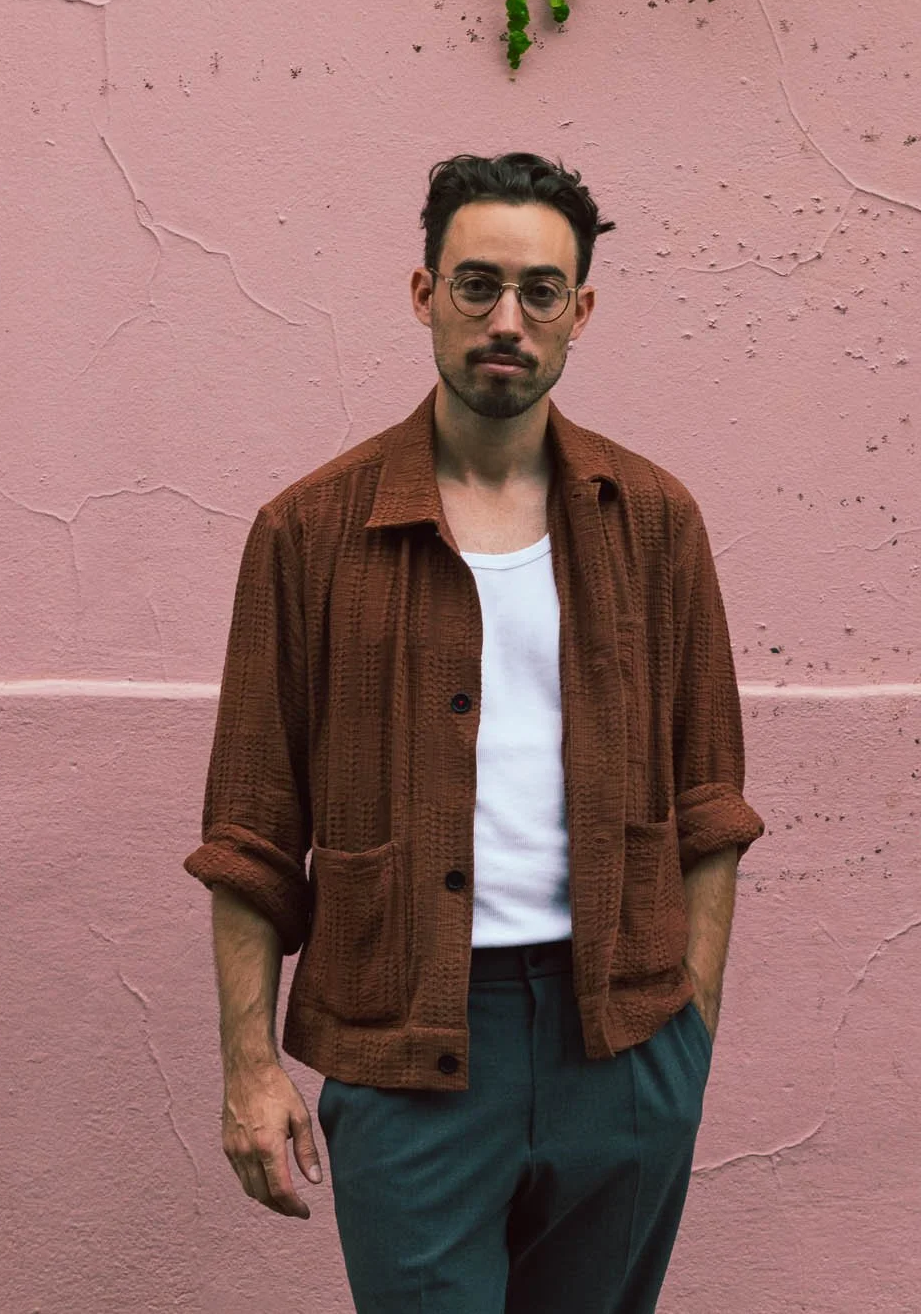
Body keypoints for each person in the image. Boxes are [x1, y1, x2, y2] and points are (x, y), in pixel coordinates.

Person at [182, 150, 764, 1313]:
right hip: (408, 1057)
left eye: (539, 291)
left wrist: (686, 1040)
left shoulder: (653, 523)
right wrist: (249, 1066)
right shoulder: (310, 533)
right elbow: (250, 832)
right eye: (477, 284)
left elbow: (710, 806)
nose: (507, 319)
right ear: (424, 294)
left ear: (579, 311)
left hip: (622, 1046)